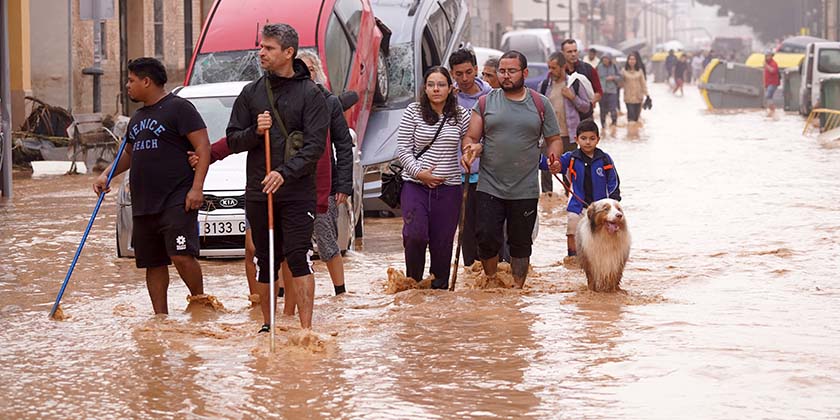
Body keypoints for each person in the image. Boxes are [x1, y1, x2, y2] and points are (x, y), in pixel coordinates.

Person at [226, 23, 328, 332]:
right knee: (264, 258)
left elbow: (314, 147)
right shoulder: (251, 92)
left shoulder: (312, 94)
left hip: (297, 191)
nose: (261, 52)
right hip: (259, 190)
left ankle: (306, 330)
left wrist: (284, 173)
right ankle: (267, 326)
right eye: (261, 46)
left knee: (298, 255)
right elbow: (232, 139)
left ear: (288, 52)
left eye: (268, 48)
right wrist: (255, 132)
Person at [93, 57, 211, 314]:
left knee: (181, 254)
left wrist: (197, 188)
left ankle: (201, 303)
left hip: (177, 197)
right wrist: (106, 175)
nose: (127, 86)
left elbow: (203, 146)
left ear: (147, 81)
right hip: (145, 202)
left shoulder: (180, 108)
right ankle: (160, 317)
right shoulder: (137, 117)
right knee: (152, 262)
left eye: (131, 80)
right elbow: (129, 153)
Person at [461, 50, 564, 289]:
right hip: (489, 185)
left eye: (511, 71)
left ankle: (518, 290)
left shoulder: (540, 103)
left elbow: (554, 139)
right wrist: (470, 149)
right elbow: (471, 136)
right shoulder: (486, 102)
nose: (506, 76)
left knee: (520, 244)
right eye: (502, 71)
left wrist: (554, 157)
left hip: (525, 188)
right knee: (486, 238)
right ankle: (491, 281)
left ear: (524, 73)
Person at [397, 66, 470, 289]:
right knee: (415, 235)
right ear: (425, 88)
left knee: (443, 243)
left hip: (449, 189)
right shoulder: (413, 111)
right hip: (415, 185)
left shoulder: (461, 115)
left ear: (450, 88)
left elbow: (471, 141)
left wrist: (468, 154)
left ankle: (439, 292)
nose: (436, 89)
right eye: (431, 85)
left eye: (441, 85)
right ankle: (414, 285)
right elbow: (403, 150)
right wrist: (420, 173)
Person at [297, 50, 353, 297]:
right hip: (292, 183)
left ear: (317, 72)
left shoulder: (329, 102)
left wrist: (343, 185)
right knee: (290, 245)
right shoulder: (287, 100)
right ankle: (283, 296)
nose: (305, 75)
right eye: (300, 69)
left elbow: (343, 145)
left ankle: (340, 293)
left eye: (309, 69)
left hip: (324, 183)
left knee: (327, 239)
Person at [539, 119, 620, 260]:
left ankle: (601, 259)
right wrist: (540, 159)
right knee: (572, 230)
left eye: (592, 138)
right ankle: (572, 258)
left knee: (603, 234)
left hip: (600, 208)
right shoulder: (571, 158)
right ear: (576, 139)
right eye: (583, 138)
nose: (588, 142)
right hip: (577, 206)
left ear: (598, 140)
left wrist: (613, 201)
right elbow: (553, 165)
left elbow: (614, 182)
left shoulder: (605, 160)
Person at [449, 48, 491, 268]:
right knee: (465, 232)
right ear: (452, 74)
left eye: (468, 72)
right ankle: (471, 275)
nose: (464, 78)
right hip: (458, 177)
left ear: (476, 69)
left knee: (488, 230)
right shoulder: (448, 100)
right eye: (458, 74)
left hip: (489, 176)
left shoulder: (491, 97)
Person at [539, 51, 590, 193]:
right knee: (546, 172)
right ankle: (548, 204)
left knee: (569, 172)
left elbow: (586, 106)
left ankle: (569, 201)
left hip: (569, 135)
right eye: (549, 67)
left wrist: (572, 97)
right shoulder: (544, 86)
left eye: (553, 67)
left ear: (563, 67)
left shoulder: (575, 84)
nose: (550, 71)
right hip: (549, 135)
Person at [561, 39, 602, 120]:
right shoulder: (559, 72)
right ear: (562, 53)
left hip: (585, 117)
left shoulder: (588, 69)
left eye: (575, 51)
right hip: (565, 118)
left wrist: (589, 104)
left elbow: (599, 92)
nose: (573, 54)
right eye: (569, 52)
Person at [622, 52, 648, 127]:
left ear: (636, 61)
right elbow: (620, 83)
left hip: (638, 97)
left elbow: (643, 83)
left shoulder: (640, 71)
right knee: (631, 117)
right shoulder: (624, 71)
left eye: (633, 59)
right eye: (630, 59)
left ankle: (635, 135)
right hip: (628, 97)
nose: (632, 61)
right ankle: (630, 135)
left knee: (636, 118)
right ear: (628, 61)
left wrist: (647, 95)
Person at [597, 54, 622, 129]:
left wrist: (613, 77)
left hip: (612, 91)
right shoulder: (599, 67)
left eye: (607, 59)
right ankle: (603, 126)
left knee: (613, 109)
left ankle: (614, 125)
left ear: (610, 60)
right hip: (602, 91)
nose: (605, 60)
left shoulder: (614, 66)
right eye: (604, 59)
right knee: (602, 110)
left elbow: (620, 77)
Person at [764, 50, 780, 116]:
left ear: (771, 56)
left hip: (773, 83)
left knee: (768, 96)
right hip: (768, 83)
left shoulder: (774, 63)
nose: (767, 57)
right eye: (766, 56)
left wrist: (766, 66)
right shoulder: (766, 63)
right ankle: (771, 111)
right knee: (769, 97)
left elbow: (773, 71)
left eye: (768, 56)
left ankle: (773, 110)